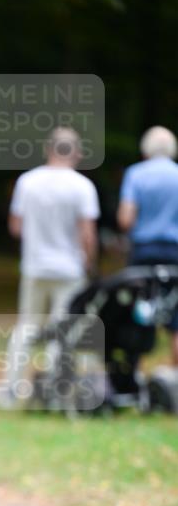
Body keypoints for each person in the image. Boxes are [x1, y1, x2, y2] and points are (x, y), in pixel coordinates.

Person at [3, 128, 100, 404]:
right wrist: (89, 263)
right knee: (63, 328)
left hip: (34, 267)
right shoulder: (82, 186)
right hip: (69, 269)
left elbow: (16, 227)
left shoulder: (27, 182)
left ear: (49, 149)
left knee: (27, 326)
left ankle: (11, 388)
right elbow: (88, 234)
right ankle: (55, 389)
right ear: (77, 153)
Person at [117, 125, 178, 366]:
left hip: (143, 252)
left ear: (146, 150)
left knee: (138, 313)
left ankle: (135, 376)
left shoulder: (136, 174)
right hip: (175, 253)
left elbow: (125, 219)